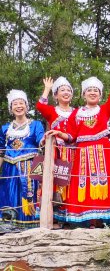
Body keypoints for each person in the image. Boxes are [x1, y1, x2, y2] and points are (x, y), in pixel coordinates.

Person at [66, 57, 110, 226]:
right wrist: (56, 133)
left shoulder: (105, 110)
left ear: (100, 95)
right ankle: (87, 221)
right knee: (83, 184)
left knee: (104, 183)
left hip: (102, 153)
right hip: (82, 154)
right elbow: (70, 135)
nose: (92, 93)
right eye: (89, 90)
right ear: (83, 94)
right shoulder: (76, 113)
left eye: (96, 91)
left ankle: (102, 220)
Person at [0, 90, 45, 227]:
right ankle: (9, 224)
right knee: (9, 193)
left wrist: (45, 139)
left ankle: (31, 225)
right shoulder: (5, 128)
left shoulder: (36, 125)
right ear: (11, 108)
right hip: (9, 167)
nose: (18, 106)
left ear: (26, 106)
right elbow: (1, 151)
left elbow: (41, 142)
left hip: (31, 165)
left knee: (30, 194)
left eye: (21, 103)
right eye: (15, 104)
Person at [37, 76, 75, 222]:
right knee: (54, 182)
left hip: (73, 152)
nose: (66, 92)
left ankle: (70, 217)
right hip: (55, 152)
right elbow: (40, 106)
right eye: (62, 90)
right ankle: (54, 217)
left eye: (68, 90)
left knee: (72, 182)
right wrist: (47, 89)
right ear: (56, 95)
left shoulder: (78, 112)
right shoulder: (52, 111)